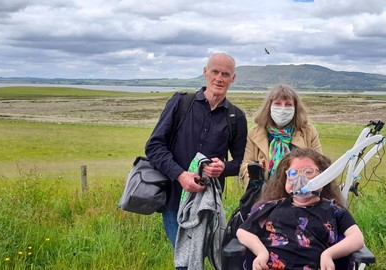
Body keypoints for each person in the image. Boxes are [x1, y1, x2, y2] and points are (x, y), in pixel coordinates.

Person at [145, 52, 248, 249]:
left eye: (225, 74)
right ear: (205, 72)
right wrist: (180, 175)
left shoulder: (236, 117)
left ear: (233, 79)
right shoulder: (181, 102)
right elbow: (154, 146)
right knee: (183, 258)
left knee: (202, 257)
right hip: (174, 198)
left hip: (207, 203)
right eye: (215, 72)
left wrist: (223, 168)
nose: (219, 78)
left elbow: (241, 162)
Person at [236, 148, 365, 270]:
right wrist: (261, 252)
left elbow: (357, 238)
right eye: (293, 173)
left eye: (308, 172)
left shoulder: (334, 210)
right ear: (286, 179)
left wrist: (329, 254)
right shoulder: (271, 207)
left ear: (323, 176)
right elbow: (243, 232)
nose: (300, 179)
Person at [239, 84, 322, 187]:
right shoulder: (255, 133)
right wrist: (256, 169)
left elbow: (320, 164)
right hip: (264, 193)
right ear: (269, 107)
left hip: (299, 192)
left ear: (295, 108)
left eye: (288, 105)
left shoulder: (308, 132)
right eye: (277, 104)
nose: (282, 109)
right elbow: (244, 165)